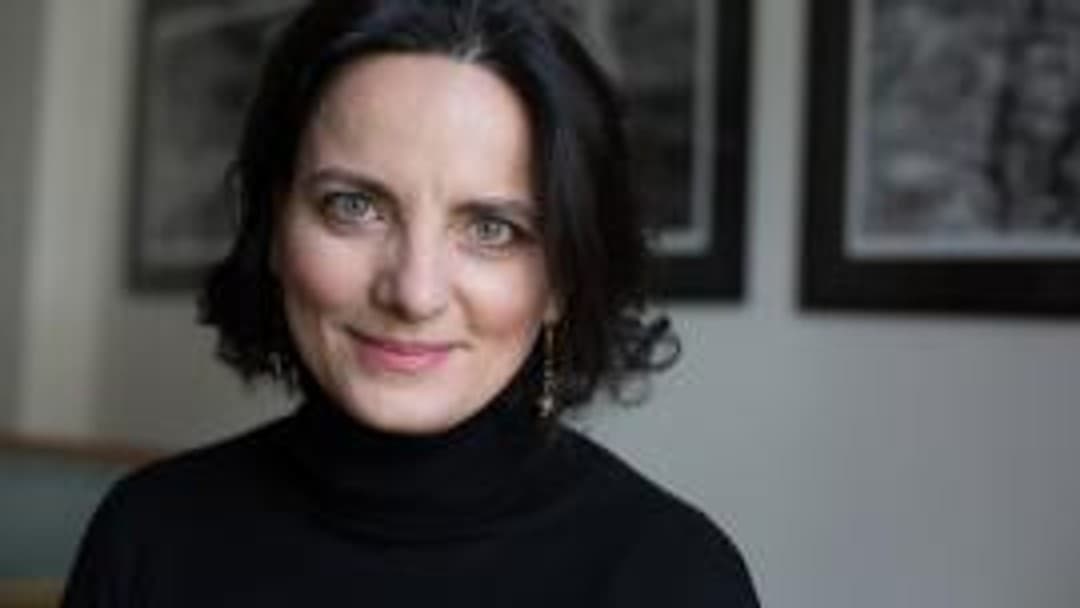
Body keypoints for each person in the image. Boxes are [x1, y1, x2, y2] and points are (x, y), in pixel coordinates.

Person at [62, 1, 759, 606]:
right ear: (273, 226)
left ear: (562, 281)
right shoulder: (147, 535)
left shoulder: (673, 576)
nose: (413, 292)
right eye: (354, 206)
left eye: (492, 229)